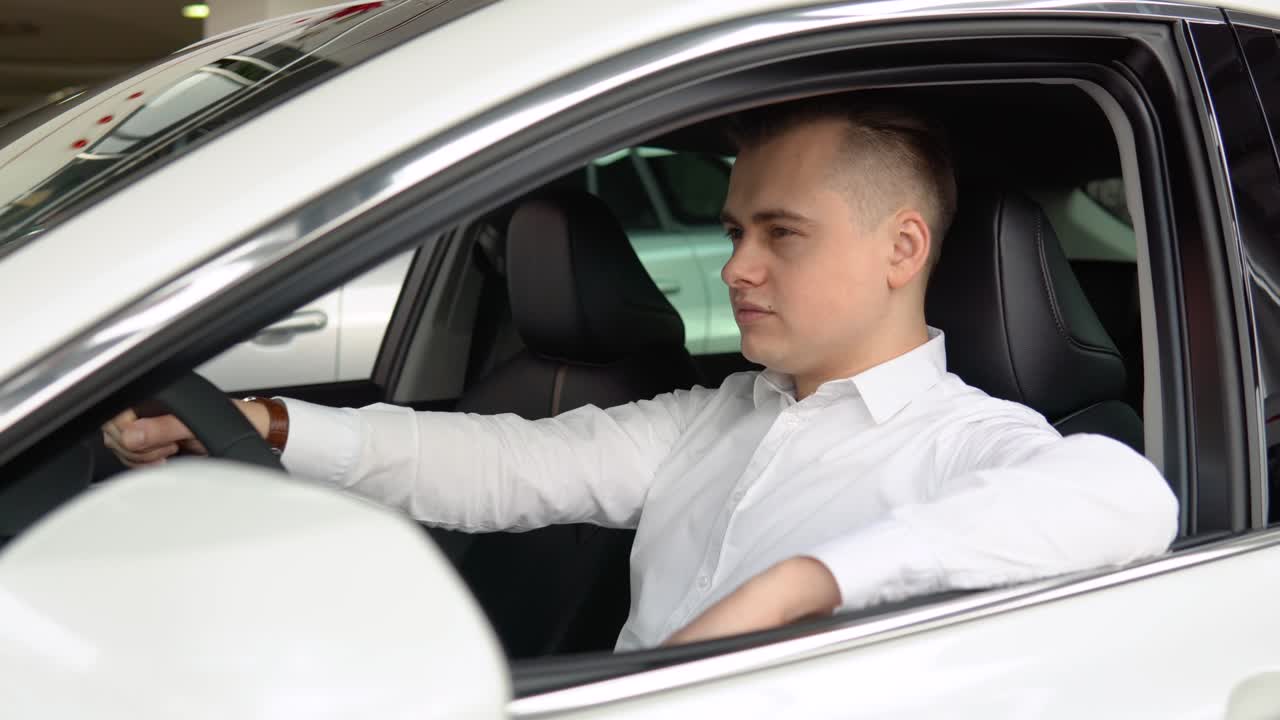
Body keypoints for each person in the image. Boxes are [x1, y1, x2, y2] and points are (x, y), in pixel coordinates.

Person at [103, 99, 1179, 651]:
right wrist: (273, 424)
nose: (736, 268)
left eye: (780, 234)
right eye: (731, 230)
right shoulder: (713, 418)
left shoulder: (970, 446)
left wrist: (804, 581)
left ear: (901, 251)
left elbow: (1126, 499)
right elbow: (504, 466)